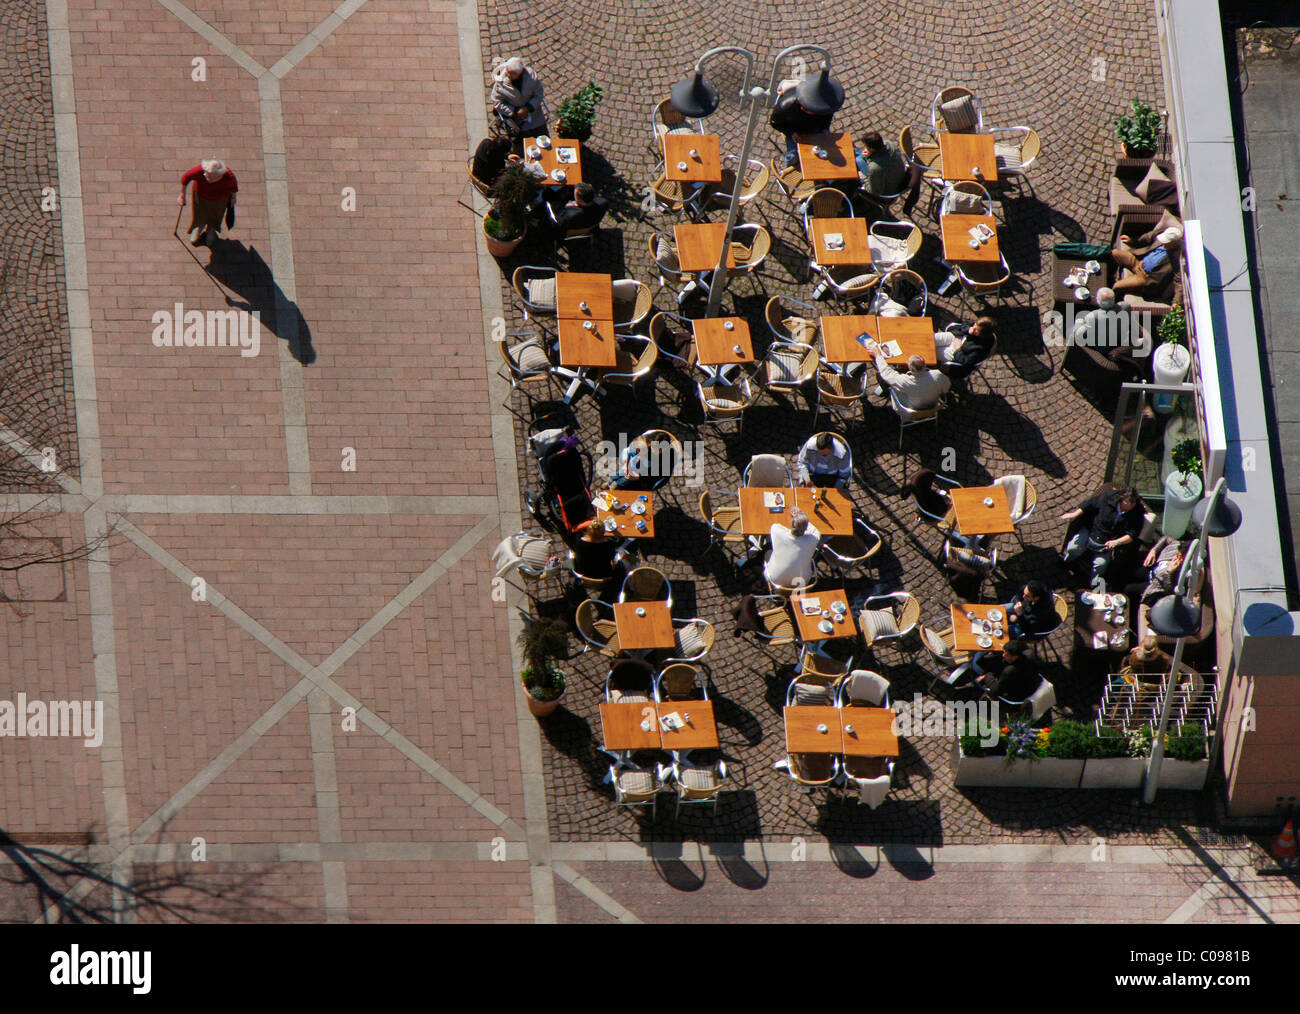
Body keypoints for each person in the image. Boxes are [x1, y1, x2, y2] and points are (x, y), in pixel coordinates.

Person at [1060, 485, 1146, 592]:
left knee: (1100, 565)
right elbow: (1089, 504)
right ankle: (1065, 563)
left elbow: (1133, 534)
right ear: (1121, 499)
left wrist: (1117, 542)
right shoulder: (1108, 497)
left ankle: (1093, 584)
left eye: (1134, 502)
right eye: (1129, 502)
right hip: (1092, 531)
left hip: (1108, 541)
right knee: (1073, 548)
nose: (1132, 504)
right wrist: (1074, 514)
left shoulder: (1137, 512)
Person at [1110, 223, 1182, 300]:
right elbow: (1148, 237)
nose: (1163, 243)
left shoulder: (1177, 259)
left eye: (1166, 242)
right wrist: (1132, 241)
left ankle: (1112, 302)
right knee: (1115, 253)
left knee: (1117, 286)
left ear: (1175, 242)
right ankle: (1109, 273)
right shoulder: (1164, 234)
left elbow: (1179, 282)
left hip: (1145, 278)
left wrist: (1176, 302)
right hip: (1138, 263)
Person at [177, 159, 238, 248]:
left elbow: (233, 188)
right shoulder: (201, 171)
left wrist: (233, 198)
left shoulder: (229, 177)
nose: (205, 175)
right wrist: (182, 194)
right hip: (200, 196)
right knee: (199, 214)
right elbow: (185, 178)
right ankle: (198, 228)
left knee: (216, 215)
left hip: (220, 199)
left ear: (219, 176)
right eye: (205, 173)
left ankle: (211, 229)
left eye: (209, 176)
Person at [770, 87, 835, 160]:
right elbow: (775, 123)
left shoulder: (822, 105)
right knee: (792, 159)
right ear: (803, 108)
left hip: (816, 129)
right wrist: (791, 133)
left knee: (831, 153)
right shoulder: (785, 106)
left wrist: (825, 128)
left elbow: (828, 115)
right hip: (795, 132)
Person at [873, 351, 951, 410]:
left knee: (880, 375)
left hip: (909, 409)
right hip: (932, 405)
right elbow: (946, 388)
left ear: (910, 368)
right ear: (925, 364)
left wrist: (878, 355)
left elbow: (886, 373)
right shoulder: (938, 375)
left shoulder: (904, 381)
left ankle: (887, 393)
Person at [765, 509, 821, 590]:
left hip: (776, 580)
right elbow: (817, 532)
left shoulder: (778, 532)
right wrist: (802, 521)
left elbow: (775, 525)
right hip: (802, 583)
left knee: (768, 553)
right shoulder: (812, 540)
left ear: (792, 524)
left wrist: (797, 518)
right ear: (806, 529)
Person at [491, 57, 547, 138]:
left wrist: (528, 108)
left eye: (511, 73)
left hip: (535, 114)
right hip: (516, 119)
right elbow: (497, 102)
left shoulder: (531, 76)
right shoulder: (500, 84)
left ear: (520, 73)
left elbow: (539, 93)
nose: (507, 74)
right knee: (523, 141)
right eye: (507, 71)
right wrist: (514, 111)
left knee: (544, 139)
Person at [969, 640, 1039, 701]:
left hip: (1016, 694)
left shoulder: (1009, 671)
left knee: (977, 678)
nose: (1003, 655)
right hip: (1029, 682)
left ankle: (977, 693)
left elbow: (997, 689)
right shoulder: (1029, 653)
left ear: (1015, 656)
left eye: (1006, 654)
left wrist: (986, 676)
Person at [933, 316, 997, 381]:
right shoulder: (978, 325)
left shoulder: (980, 349)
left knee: (931, 351)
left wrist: (958, 349)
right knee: (930, 338)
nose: (973, 328)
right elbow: (964, 325)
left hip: (957, 352)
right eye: (974, 325)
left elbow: (964, 361)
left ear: (982, 334)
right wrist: (968, 329)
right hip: (956, 337)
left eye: (976, 330)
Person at [537, 182, 607, 240]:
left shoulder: (570, 215)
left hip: (570, 228)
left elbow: (555, 226)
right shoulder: (603, 202)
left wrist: (539, 224)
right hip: (591, 224)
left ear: (580, 200)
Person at [854, 130, 908, 199]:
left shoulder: (874, 168)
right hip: (893, 176)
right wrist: (871, 154)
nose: (865, 148)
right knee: (857, 154)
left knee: (858, 160)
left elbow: (874, 191)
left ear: (872, 149)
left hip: (886, 189)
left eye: (866, 146)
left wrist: (861, 176)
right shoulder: (890, 145)